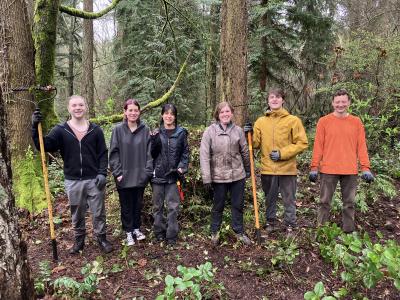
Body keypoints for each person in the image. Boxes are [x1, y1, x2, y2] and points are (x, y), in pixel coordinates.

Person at [31, 95, 113, 254]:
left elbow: (103, 153)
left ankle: (102, 238)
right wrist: (34, 127)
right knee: (77, 212)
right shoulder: (61, 131)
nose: (78, 108)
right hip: (73, 181)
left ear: (85, 107)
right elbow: (44, 146)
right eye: (74, 105)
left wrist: (102, 173)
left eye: (81, 105)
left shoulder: (95, 130)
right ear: (69, 108)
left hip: (94, 179)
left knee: (98, 212)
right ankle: (79, 241)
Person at [244, 88, 308, 235]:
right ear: (268, 100)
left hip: (287, 168)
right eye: (272, 97)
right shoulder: (261, 121)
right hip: (268, 168)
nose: (274, 99)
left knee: (289, 199)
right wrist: (248, 133)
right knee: (269, 198)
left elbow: (302, 143)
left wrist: (282, 154)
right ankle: (271, 222)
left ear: (283, 100)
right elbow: (254, 144)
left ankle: (290, 224)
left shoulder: (293, 120)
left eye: (278, 97)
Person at [309, 89, 374, 233]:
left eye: (343, 102)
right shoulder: (324, 121)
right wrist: (314, 167)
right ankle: (322, 231)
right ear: (332, 103)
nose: (340, 105)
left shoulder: (356, 122)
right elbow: (318, 145)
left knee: (349, 203)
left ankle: (348, 232)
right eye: (337, 102)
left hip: (349, 169)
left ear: (349, 103)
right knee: (324, 202)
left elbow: (361, 146)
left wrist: (365, 168)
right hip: (328, 169)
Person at [200, 102, 251, 246]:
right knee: (218, 205)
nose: (225, 114)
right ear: (218, 114)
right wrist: (206, 177)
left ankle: (238, 231)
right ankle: (215, 232)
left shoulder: (238, 131)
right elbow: (204, 155)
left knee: (237, 205)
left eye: (227, 111)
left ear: (232, 113)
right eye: (222, 112)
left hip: (237, 175)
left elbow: (245, 151)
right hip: (218, 176)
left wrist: (247, 170)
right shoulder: (210, 131)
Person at [109, 99, 153, 246]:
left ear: (139, 112)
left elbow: (149, 153)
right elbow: (113, 153)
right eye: (130, 110)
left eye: (136, 110)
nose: (133, 113)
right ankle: (128, 232)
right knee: (126, 205)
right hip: (124, 175)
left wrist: (147, 172)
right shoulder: (117, 130)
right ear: (125, 112)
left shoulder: (145, 130)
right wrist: (117, 173)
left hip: (140, 175)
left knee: (137, 204)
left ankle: (136, 229)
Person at [150, 103, 189, 245]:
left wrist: (181, 168)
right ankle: (159, 232)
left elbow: (185, 153)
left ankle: (171, 235)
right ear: (162, 115)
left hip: (173, 176)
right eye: (166, 113)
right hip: (157, 176)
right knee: (157, 206)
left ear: (175, 116)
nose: (169, 116)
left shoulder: (181, 133)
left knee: (173, 207)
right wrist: (153, 141)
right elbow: (151, 154)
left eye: (171, 114)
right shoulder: (156, 133)